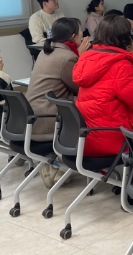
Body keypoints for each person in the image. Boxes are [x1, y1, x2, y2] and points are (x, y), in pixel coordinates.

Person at [73, 15, 133, 156]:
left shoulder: (87, 57)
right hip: (113, 138)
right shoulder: (120, 64)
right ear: (125, 37)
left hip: (87, 136)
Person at [26, 18, 90, 187]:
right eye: (81, 31)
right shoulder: (67, 57)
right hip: (49, 120)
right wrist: (82, 57)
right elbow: (79, 87)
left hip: (34, 117)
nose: (83, 34)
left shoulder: (47, 50)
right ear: (74, 36)